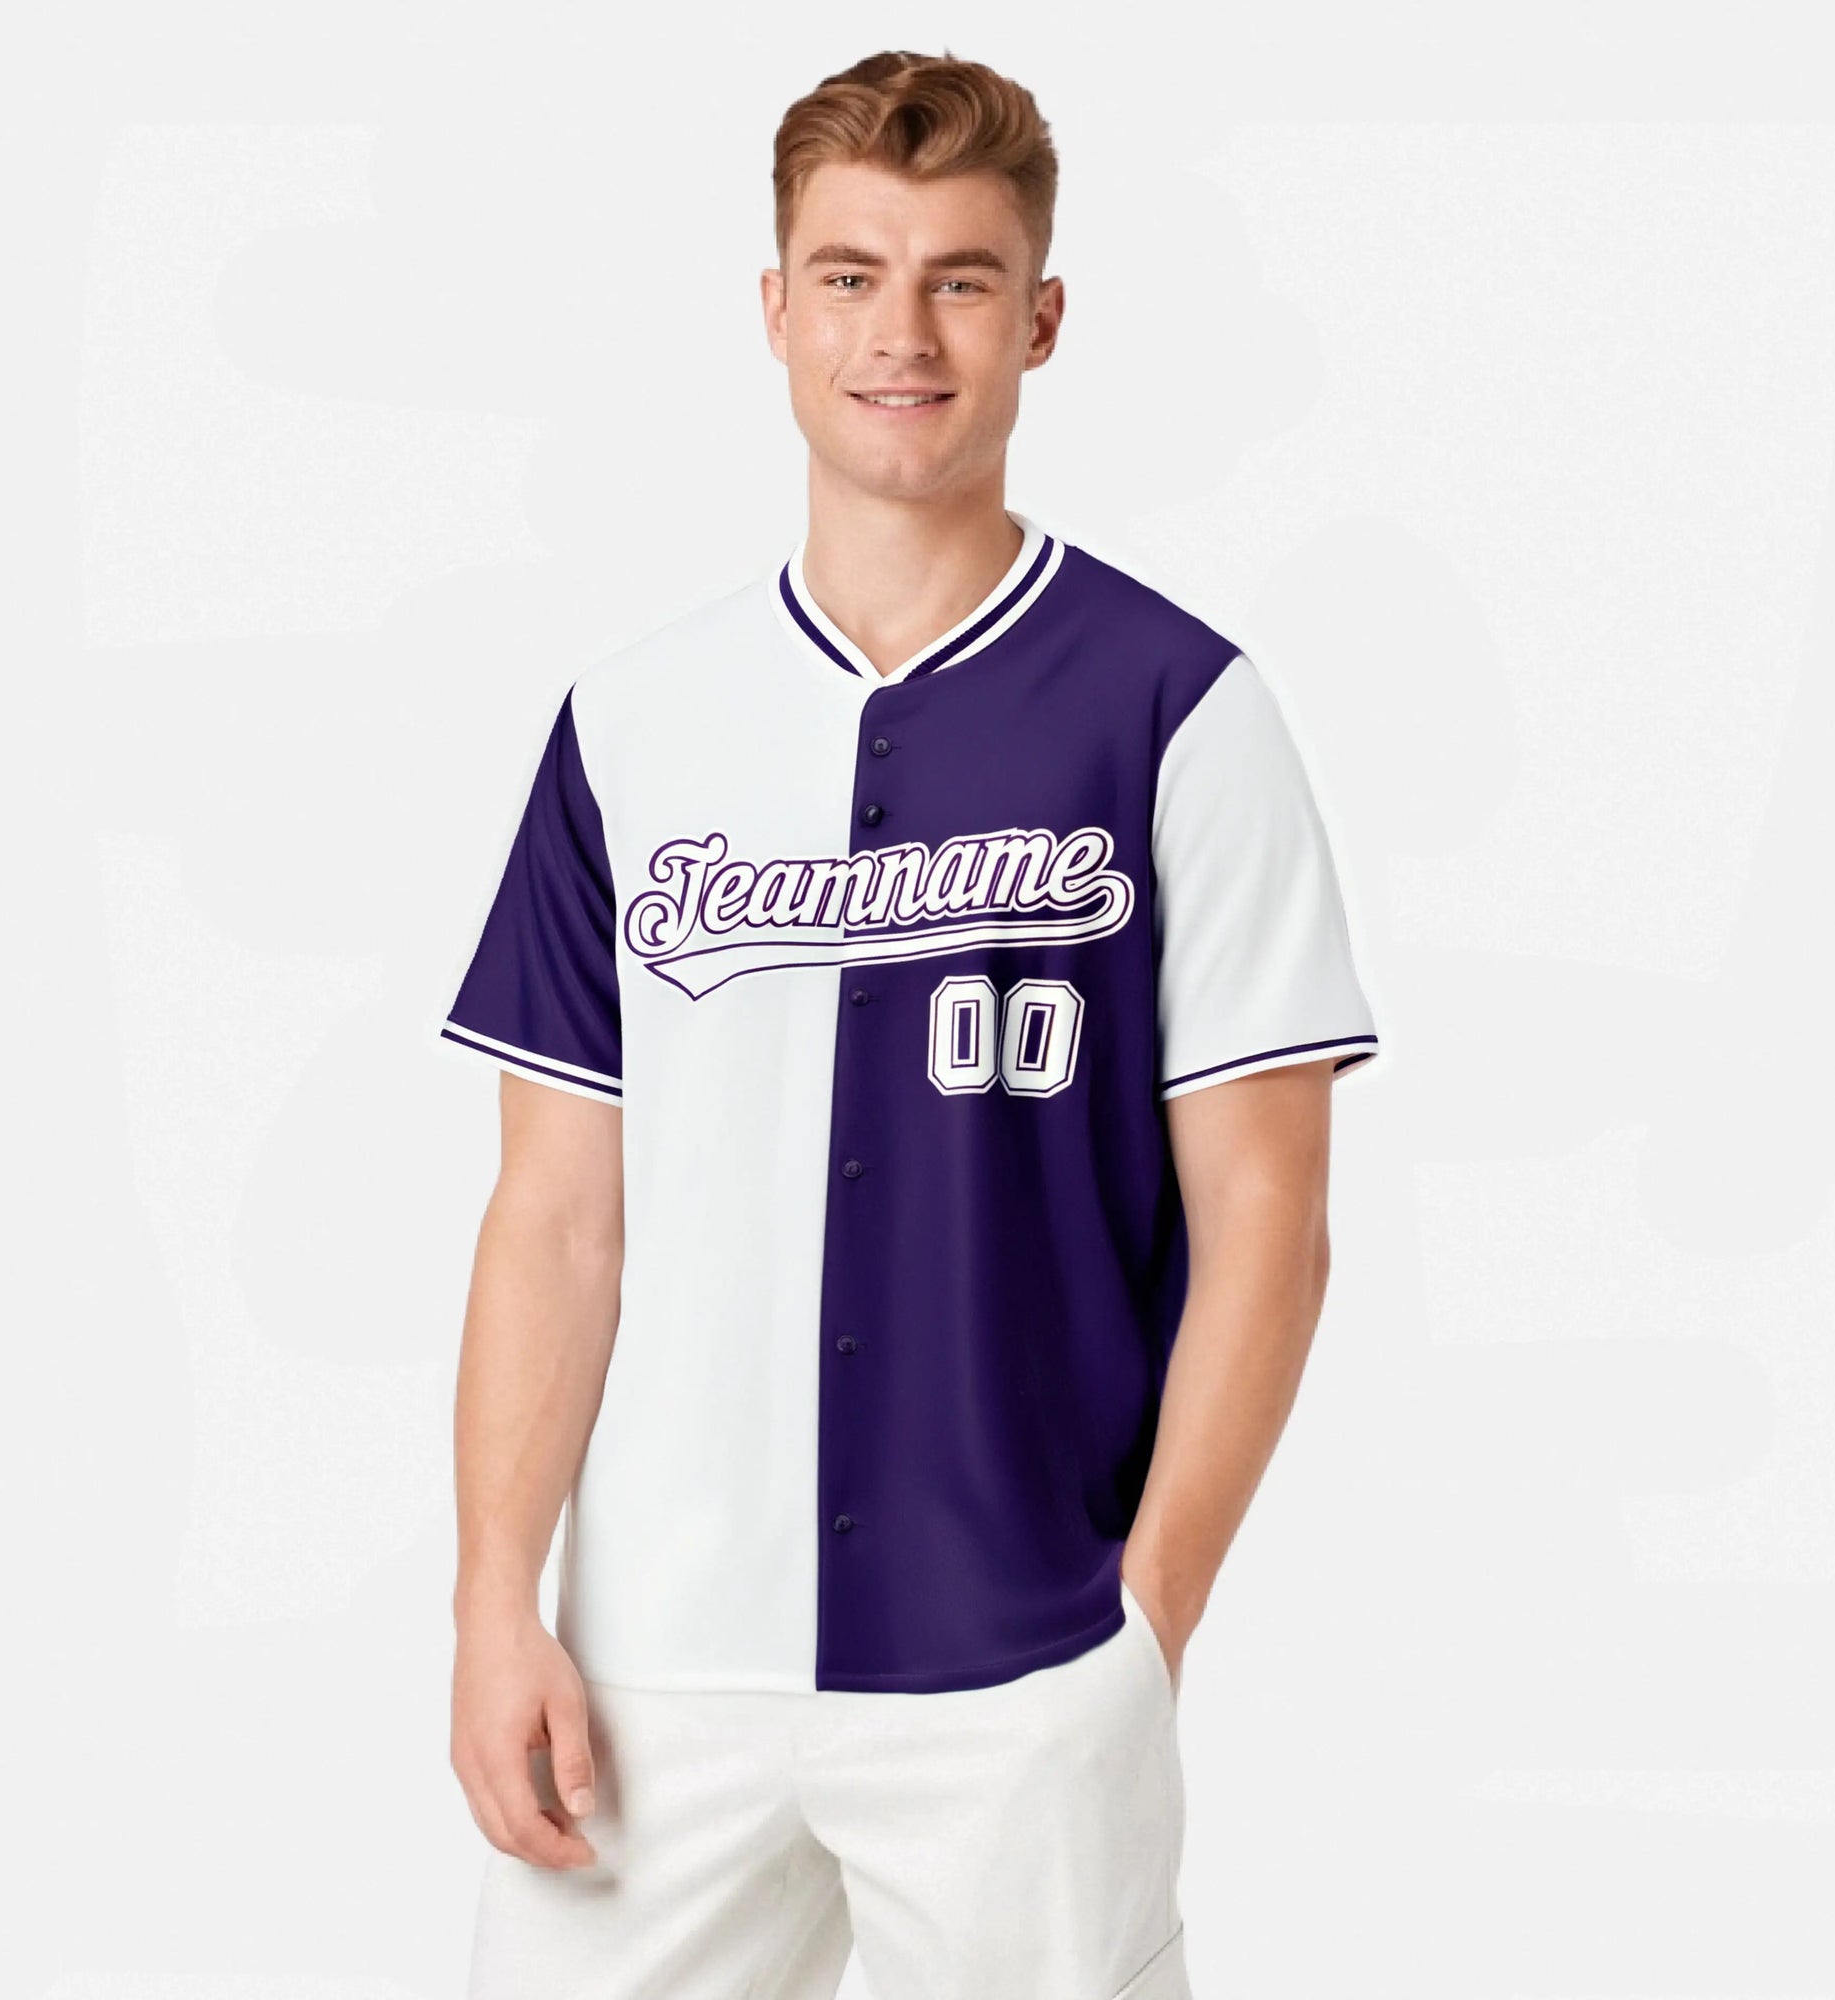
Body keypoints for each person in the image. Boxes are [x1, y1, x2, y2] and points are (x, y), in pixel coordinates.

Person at [436, 47, 1380, 2000]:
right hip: (654, 1665)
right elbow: (555, 1217)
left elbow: (1270, 1218)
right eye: (852, 276)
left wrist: (1142, 1628)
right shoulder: (631, 725)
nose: (903, 334)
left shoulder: (1178, 710)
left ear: (1042, 318)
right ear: (775, 309)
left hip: (1021, 1656)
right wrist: (492, 1601)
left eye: (962, 279)